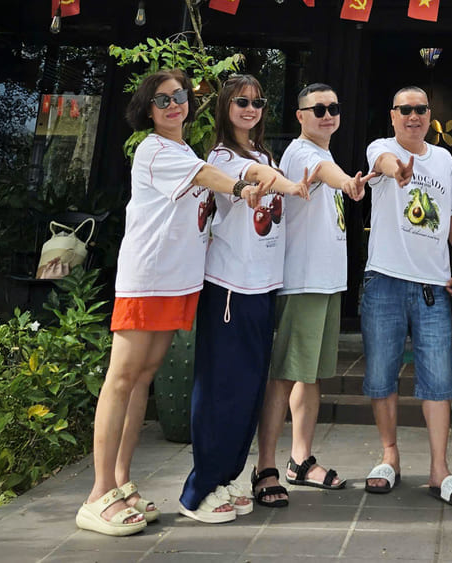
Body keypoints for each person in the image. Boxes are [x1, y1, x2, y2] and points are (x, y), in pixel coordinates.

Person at [77, 69, 272, 536]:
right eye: (162, 100)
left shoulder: (184, 150)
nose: (174, 105)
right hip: (147, 281)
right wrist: (242, 187)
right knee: (121, 379)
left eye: (180, 96)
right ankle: (97, 493)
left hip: (177, 284)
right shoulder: (153, 149)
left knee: (142, 379)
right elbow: (207, 177)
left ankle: (122, 483)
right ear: (148, 110)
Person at [177, 74, 311, 524]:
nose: (250, 109)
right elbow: (255, 177)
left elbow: (263, 170)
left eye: (257, 102)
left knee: (249, 391)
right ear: (225, 108)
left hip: (262, 288)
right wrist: (289, 186)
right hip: (230, 289)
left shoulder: (263, 152)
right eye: (241, 102)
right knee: (222, 389)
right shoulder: (221, 157)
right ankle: (199, 490)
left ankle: (227, 478)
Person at [252, 83, 376, 504]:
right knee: (286, 375)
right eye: (318, 109)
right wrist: (349, 184)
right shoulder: (302, 153)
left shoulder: (324, 152)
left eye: (333, 108)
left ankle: (300, 460)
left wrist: (345, 181)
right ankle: (265, 467)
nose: (327, 115)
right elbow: (325, 174)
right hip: (303, 282)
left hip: (325, 282)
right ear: (300, 116)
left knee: (310, 375)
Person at [361, 86, 452, 506]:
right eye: (405, 109)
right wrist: (398, 172)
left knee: (439, 380)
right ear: (393, 115)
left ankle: (439, 468)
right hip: (384, 280)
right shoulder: (381, 148)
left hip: (432, 286)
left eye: (421, 109)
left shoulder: (443, 159)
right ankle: (389, 455)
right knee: (380, 375)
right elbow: (384, 164)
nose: (413, 116)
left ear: (430, 114)